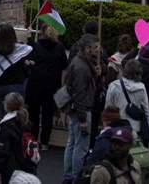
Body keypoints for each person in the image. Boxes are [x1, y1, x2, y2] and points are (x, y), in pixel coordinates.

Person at [63, 33, 101, 184]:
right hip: (82, 110)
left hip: (78, 109)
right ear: (87, 49)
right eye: (96, 47)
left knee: (72, 143)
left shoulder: (81, 63)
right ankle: (75, 178)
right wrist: (83, 119)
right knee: (81, 147)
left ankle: (68, 176)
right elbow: (79, 94)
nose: (99, 50)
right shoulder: (80, 67)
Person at [25, 23, 68, 149]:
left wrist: (29, 37)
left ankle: (32, 139)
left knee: (33, 113)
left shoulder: (37, 46)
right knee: (47, 114)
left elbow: (29, 53)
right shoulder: (59, 47)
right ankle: (45, 142)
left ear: (42, 33)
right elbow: (64, 65)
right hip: (51, 85)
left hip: (35, 84)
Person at [0, 22, 32, 125]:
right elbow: (31, 55)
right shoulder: (20, 50)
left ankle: (2, 137)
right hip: (16, 86)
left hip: (0, 87)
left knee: (2, 116)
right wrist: (29, 38)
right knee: (18, 116)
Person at [0, 92, 36, 182]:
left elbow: (3, 150)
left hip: (11, 168)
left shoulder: (6, 126)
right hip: (27, 165)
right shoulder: (27, 122)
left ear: (8, 106)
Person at [105, 60, 149, 147]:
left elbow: (108, 108)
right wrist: (146, 125)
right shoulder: (141, 88)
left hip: (117, 126)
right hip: (135, 128)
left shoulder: (113, 86)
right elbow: (146, 109)